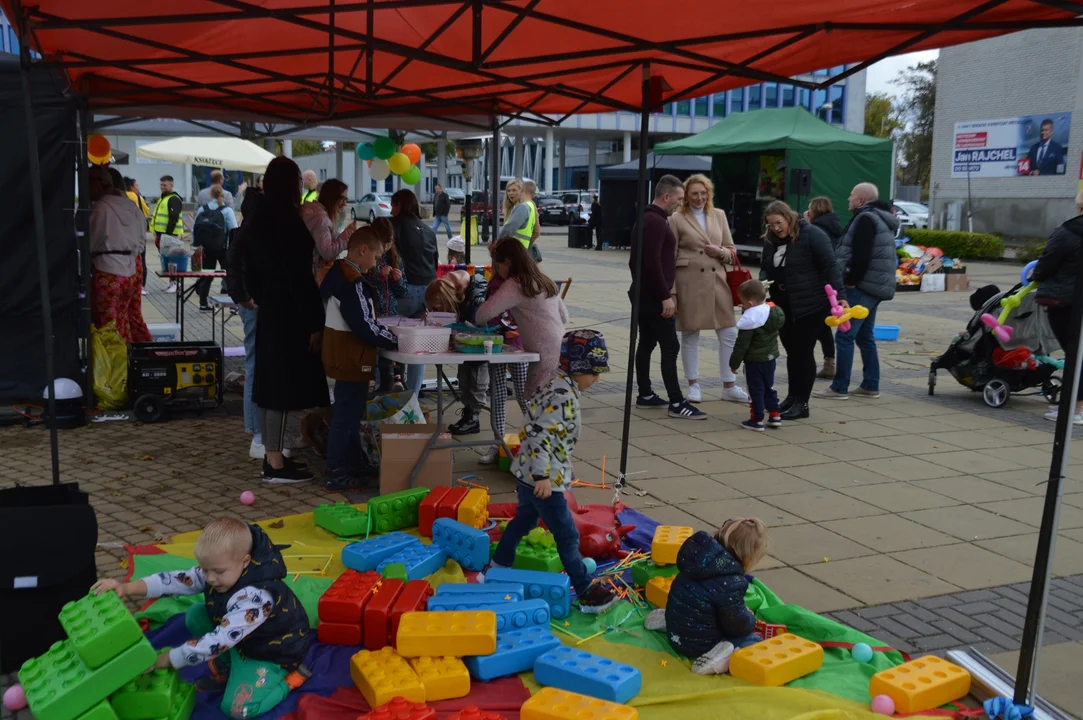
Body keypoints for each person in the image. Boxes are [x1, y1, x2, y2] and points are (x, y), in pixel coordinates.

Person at [90, 518, 310, 717]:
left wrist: (167, 660)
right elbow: (175, 580)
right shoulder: (218, 568)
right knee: (195, 615)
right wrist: (127, 588)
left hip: (271, 651)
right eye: (205, 570)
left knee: (238, 709)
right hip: (242, 638)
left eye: (218, 571)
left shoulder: (256, 598)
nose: (210, 578)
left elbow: (218, 641)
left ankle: (288, 682)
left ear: (245, 561)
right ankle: (228, 666)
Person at [488, 330, 619, 614]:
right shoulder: (563, 396)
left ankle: (499, 565)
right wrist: (543, 476)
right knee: (567, 535)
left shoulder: (557, 383)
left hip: (528, 472)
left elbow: (549, 433)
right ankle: (586, 590)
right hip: (541, 480)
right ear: (577, 368)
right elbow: (538, 435)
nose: (596, 380)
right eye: (593, 373)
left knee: (524, 520)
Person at [240, 156, 330, 484]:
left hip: (270, 310)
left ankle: (272, 456)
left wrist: (249, 293)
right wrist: (315, 322)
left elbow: (240, 256)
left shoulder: (257, 217)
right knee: (278, 389)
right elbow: (300, 279)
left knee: (269, 387)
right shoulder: (286, 223)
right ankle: (274, 463)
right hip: (290, 314)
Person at [320, 227, 399, 491]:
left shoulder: (339, 273)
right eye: (376, 258)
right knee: (345, 416)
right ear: (363, 251)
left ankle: (352, 462)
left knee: (350, 413)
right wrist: (393, 339)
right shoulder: (353, 282)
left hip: (342, 354)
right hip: (352, 356)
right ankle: (336, 470)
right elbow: (364, 324)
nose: (376, 264)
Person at [643, 519, 769, 675]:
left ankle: (669, 620)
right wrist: (749, 619)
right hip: (699, 643)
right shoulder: (732, 582)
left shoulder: (697, 557)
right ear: (747, 557)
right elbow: (735, 625)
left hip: (676, 632)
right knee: (752, 640)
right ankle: (720, 655)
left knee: (694, 605)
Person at [628, 174, 706, 420]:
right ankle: (676, 402)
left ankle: (646, 393)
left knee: (648, 342)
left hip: (645, 295)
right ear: (666, 196)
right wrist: (665, 296)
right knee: (670, 346)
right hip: (653, 297)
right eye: (679, 198)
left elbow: (639, 263)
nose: (680, 203)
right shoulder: (656, 222)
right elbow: (649, 263)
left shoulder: (649, 218)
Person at [759, 200, 843, 420]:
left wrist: (840, 296)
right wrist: (762, 286)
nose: (776, 228)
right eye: (771, 225)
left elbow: (830, 265)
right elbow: (766, 267)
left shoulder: (812, 234)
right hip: (782, 303)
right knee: (792, 353)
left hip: (810, 304)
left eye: (779, 223)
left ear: (788, 218)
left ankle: (802, 404)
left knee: (803, 353)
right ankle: (792, 397)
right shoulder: (771, 241)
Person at [669, 173, 748, 405]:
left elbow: (732, 251)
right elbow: (670, 256)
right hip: (689, 282)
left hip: (717, 282)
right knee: (690, 333)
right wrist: (672, 291)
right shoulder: (676, 218)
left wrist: (721, 252)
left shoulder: (719, 215)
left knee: (728, 332)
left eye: (703, 193)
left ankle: (729, 384)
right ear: (686, 196)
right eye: (694, 193)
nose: (699, 197)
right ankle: (693, 384)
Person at [815, 183, 898, 401]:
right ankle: (870, 384)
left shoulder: (865, 219)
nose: (848, 200)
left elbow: (861, 255)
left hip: (862, 287)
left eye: (851, 196)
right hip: (876, 286)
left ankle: (839, 387)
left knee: (845, 335)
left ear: (861, 200)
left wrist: (851, 281)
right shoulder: (881, 218)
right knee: (864, 336)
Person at [476, 239, 568, 398]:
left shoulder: (515, 284)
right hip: (561, 347)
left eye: (498, 266)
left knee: (536, 402)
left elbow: (482, 314)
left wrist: (482, 328)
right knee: (551, 401)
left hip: (543, 353)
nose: (499, 271)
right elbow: (565, 316)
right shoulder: (544, 279)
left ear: (508, 262)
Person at [1032, 190, 1083, 423]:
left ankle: (1075, 410)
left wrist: (1036, 276)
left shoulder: (1068, 231)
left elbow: (1046, 263)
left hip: (1066, 302)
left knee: (1076, 355)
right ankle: (1076, 407)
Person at [88, 166, 152, 344]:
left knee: (107, 324)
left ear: (99, 184)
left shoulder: (100, 208)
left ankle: (113, 365)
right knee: (124, 320)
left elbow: (89, 242)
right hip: (131, 268)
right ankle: (131, 358)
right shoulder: (132, 206)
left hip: (107, 269)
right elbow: (141, 241)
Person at [427, 268, 489, 437]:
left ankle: (473, 416)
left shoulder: (474, 298)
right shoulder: (454, 285)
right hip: (469, 345)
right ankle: (469, 413)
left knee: (476, 381)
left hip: (478, 346)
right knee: (465, 379)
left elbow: (478, 326)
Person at [391, 188, 439, 395]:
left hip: (404, 289)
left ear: (399, 205)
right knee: (417, 347)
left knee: (389, 340)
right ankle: (413, 396)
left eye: (393, 205)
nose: (392, 210)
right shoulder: (429, 230)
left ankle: (390, 390)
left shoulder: (393, 226)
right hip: (428, 290)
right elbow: (435, 261)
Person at [730, 280, 785, 432]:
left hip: (754, 362)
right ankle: (775, 415)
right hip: (770, 358)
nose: (742, 305)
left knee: (755, 390)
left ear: (750, 302)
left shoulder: (750, 320)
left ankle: (757, 419)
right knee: (769, 387)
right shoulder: (772, 313)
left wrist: (734, 363)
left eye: (742, 302)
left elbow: (741, 346)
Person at [805, 196, 844, 379]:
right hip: (831, 282)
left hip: (817, 283)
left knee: (818, 325)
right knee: (824, 324)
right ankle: (830, 362)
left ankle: (821, 364)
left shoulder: (816, 229)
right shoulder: (836, 226)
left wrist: (805, 223)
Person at [193, 184, 238, 311]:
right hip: (224, 248)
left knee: (206, 276)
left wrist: (195, 244)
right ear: (222, 195)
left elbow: (195, 229)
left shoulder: (203, 210)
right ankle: (233, 305)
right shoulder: (227, 210)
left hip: (206, 249)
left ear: (210, 195)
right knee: (229, 276)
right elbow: (233, 230)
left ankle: (203, 304)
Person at [302, 178, 357, 278]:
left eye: (346, 200)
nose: (345, 203)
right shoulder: (321, 220)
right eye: (342, 199)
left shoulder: (314, 212)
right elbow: (327, 253)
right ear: (332, 197)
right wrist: (348, 233)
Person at [152, 174, 183, 294]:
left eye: (165, 185)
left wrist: (168, 235)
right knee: (166, 260)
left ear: (171, 185)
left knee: (172, 260)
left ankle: (176, 283)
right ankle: (171, 282)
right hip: (163, 235)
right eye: (161, 184)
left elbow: (173, 218)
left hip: (169, 235)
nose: (162, 187)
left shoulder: (173, 199)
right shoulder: (164, 198)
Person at [500, 179, 541, 262]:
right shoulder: (509, 208)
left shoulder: (525, 206)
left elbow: (536, 231)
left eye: (514, 190)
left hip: (519, 251)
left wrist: (525, 246)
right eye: (508, 190)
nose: (511, 193)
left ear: (521, 191)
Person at [124, 177, 151, 293]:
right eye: (136, 186)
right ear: (131, 187)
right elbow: (146, 212)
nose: (138, 187)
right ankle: (141, 286)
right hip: (137, 233)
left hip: (124, 234)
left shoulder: (119, 197)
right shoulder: (136, 197)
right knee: (141, 260)